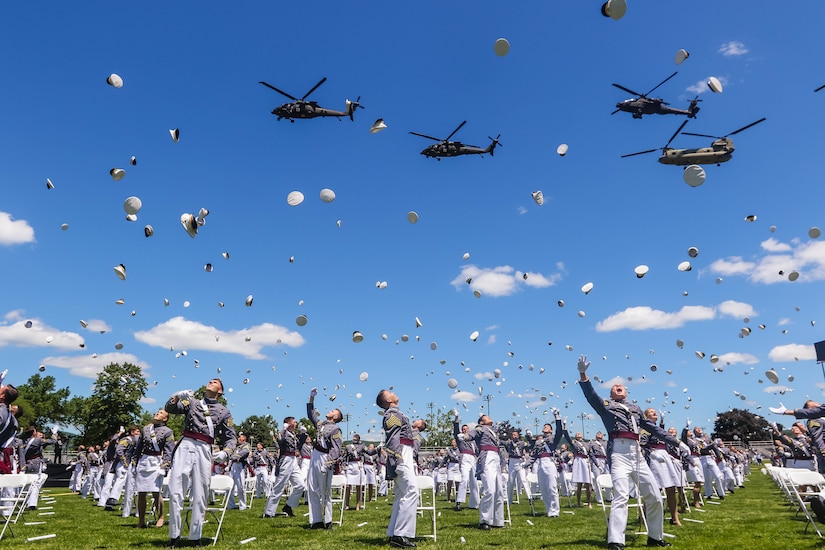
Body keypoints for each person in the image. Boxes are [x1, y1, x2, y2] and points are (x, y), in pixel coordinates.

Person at [577, 354, 674, 549]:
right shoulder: (606, 406)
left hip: (637, 455)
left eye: (621, 386)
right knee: (621, 495)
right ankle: (615, 541)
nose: (618, 386)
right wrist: (583, 375)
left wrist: (677, 442)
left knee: (654, 496)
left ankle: (655, 536)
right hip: (619, 453)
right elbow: (591, 396)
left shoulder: (636, 408)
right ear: (612, 394)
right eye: (614, 386)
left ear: (627, 391)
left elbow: (653, 428)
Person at [165, 378, 237, 548]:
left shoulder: (224, 412)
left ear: (220, 391)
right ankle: (174, 536)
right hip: (186, 443)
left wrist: (226, 452)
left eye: (215, 382)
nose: (211, 382)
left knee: (201, 493)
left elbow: (231, 437)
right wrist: (176, 396)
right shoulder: (192, 402)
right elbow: (170, 408)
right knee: (176, 491)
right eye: (210, 381)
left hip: (205, 447)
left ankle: (195, 537)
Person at [377, 389, 417, 548]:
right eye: (390, 392)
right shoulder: (392, 414)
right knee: (411, 490)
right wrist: (398, 460)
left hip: (404, 451)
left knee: (402, 494)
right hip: (401, 453)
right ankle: (401, 534)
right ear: (387, 400)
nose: (393, 392)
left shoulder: (396, 412)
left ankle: (394, 533)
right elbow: (393, 438)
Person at [306, 387, 343, 529]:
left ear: (335, 417)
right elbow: (311, 415)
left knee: (325, 490)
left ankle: (328, 521)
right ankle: (316, 520)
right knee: (312, 487)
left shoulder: (335, 429)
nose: (330, 410)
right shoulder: (321, 424)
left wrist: (328, 463)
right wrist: (311, 398)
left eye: (333, 411)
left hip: (325, 458)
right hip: (315, 455)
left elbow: (336, 449)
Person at [642, 409, 682, 526]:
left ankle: (675, 518)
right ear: (645, 416)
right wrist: (651, 451)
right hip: (655, 458)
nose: (654, 413)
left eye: (655, 411)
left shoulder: (659, 428)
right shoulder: (645, 429)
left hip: (664, 457)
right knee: (655, 488)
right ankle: (644, 514)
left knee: (671, 488)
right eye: (651, 412)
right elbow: (643, 444)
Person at [135, 409, 174, 528]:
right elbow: (138, 447)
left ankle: (161, 517)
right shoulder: (145, 429)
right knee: (141, 493)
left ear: (165, 419)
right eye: (157, 412)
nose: (157, 413)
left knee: (156, 493)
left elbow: (169, 451)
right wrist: (135, 462)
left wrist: (164, 466)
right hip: (144, 461)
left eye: (161, 413)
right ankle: (141, 521)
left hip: (157, 462)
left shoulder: (168, 432)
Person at [262, 416, 305, 518]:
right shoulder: (283, 433)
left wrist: (303, 434)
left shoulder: (293, 434)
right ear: (288, 423)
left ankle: (289, 506)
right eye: (294, 422)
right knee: (279, 486)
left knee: (300, 485)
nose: (296, 423)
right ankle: (269, 512)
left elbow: (299, 445)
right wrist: (284, 429)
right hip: (285, 459)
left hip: (293, 459)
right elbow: (280, 441)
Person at [527, 410, 567, 517]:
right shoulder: (538, 441)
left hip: (549, 462)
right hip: (540, 463)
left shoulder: (553, 438)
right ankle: (549, 510)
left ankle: (555, 511)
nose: (545, 427)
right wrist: (525, 464)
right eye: (544, 426)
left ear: (551, 429)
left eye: (547, 426)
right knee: (544, 488)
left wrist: (556, 417)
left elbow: (559, 431)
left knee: (552, 487)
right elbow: (534, 455)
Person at [471, 414, 505, 530]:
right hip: (487, 457)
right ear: (482, 422)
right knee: (490, 490)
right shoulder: (481, 428)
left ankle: (497, 520)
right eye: (486, 417)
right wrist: (465, 437)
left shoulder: (494, 431)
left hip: (495, 458)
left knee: (499, 491)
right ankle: (484, 520)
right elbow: (473, 434)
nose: (490, 417)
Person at [453, 414, 479, 511]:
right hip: (464, 457)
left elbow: (477, 450)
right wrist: (456, 420)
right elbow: (456, 431)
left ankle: (475, 503)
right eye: (463, 429)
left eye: (466, 429)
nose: (465, 430)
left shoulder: (473, 440)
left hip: (473, 458)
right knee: (464, 479)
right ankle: (459, 502)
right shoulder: (460, 439)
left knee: (474, 481)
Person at [227, 433, 251, 510]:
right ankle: (231, 504)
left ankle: (242, 505)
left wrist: (234, 456)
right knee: (230, 485)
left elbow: (244, 452)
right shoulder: (236, 447)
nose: (238, 440)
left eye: (239, 438)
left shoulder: (246, 445)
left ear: (243, 439)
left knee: (240, 486)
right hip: (233, 465)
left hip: (240, 465)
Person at [343, 433, 365, 510]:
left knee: (358, 486)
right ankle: (347, 504)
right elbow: (345, 456)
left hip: (358, 465)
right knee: (348, 486)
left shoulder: (362, 446)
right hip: (350, 465)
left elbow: (365, 453)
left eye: (356, 438)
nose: (354, 439)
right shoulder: (348, 446)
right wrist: (344, 465)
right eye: (354, 438)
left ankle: (358, 505)